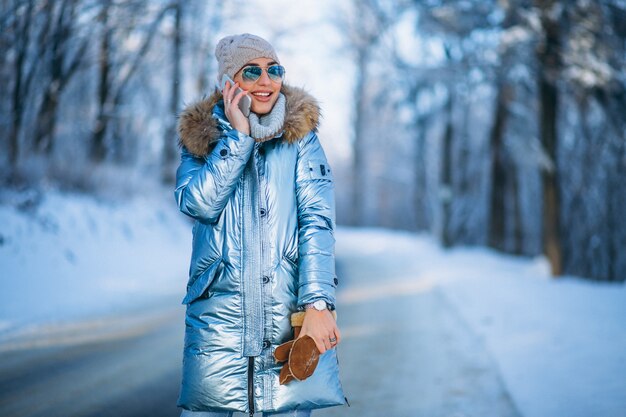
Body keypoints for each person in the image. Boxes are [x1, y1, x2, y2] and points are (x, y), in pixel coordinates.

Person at [174, 33, 346, 417]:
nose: (267, 81)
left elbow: (317, 224)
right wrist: (237, 139)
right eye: (252, 71)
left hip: (284, 318)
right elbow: (198, 203)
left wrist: (318, 303)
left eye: (274, 70)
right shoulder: (201, 138)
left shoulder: (300, 137)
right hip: (218, 326)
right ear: (228, 82)